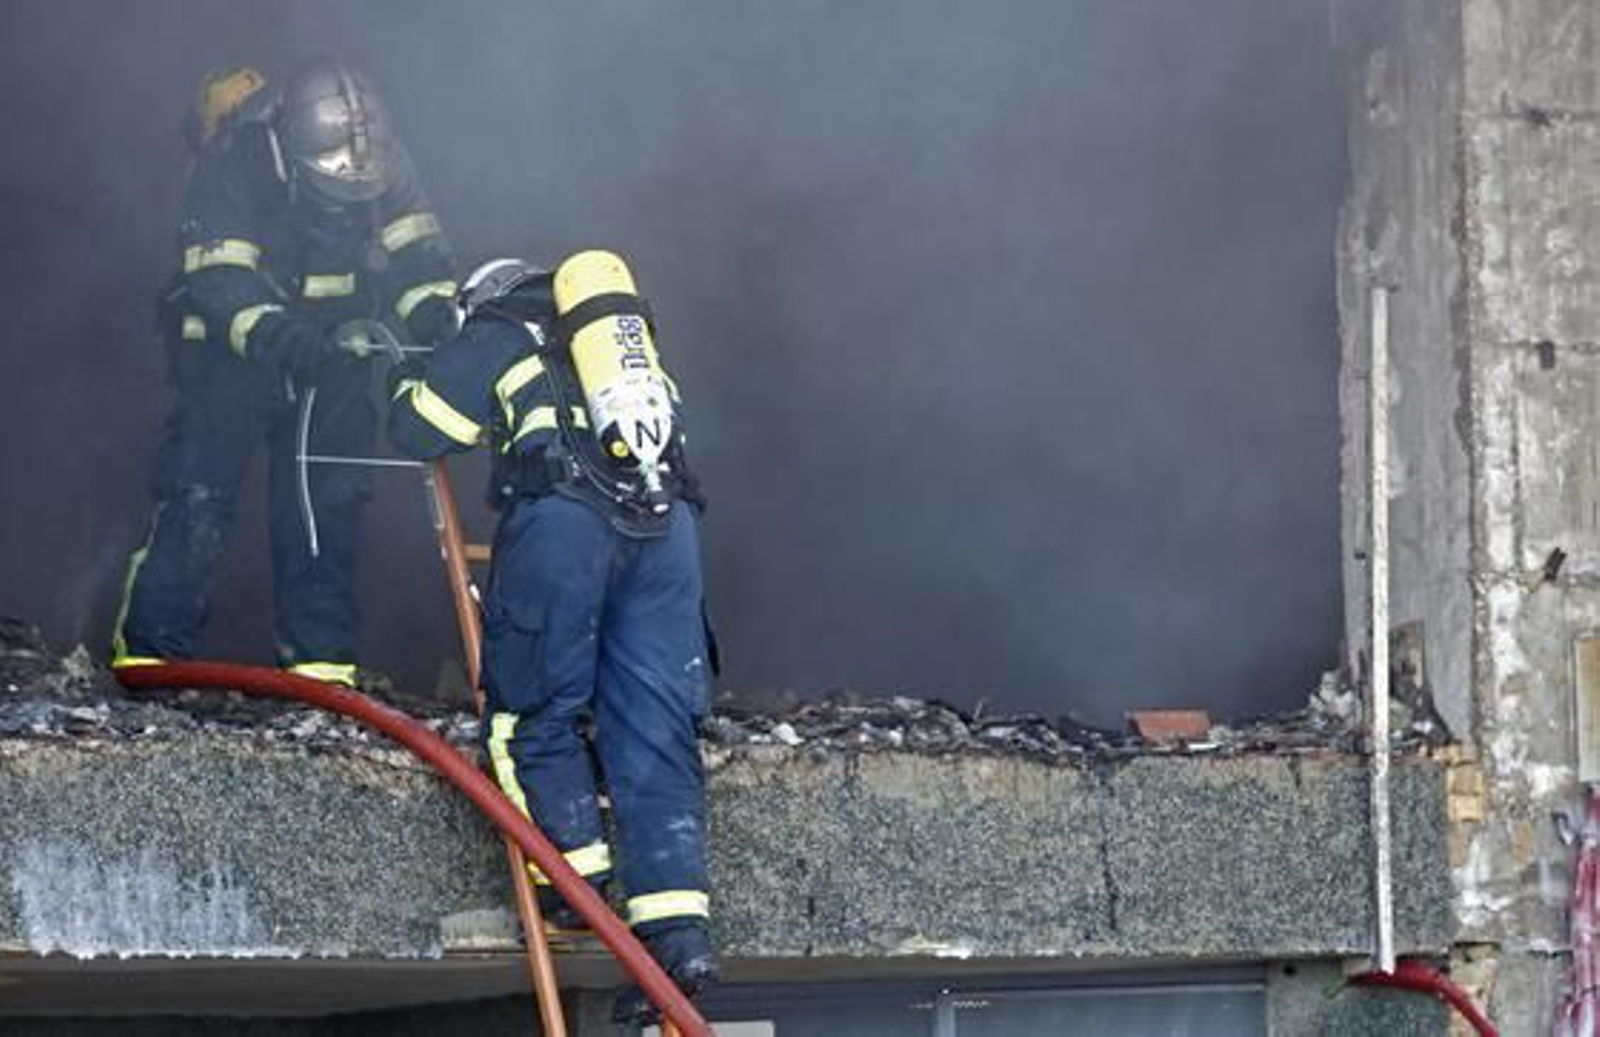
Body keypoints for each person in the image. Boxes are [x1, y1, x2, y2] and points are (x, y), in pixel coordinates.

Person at [387, 250, 717, 1020]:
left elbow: (418, 426)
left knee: (534, 713)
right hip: (669, 537)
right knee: (659, 726)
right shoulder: (630, 351)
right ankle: (678, 939)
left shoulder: (500, 331)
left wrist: (405, 376)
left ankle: (573, 890)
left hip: (566, 529)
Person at [111, 62, 459, 686]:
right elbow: (216, 277)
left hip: (335, 360)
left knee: (330, 502)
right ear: (294, 156)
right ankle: (152, 659)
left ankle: (321, 668)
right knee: (198, 496)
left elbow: (417, 256)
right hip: (233, 355)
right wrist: (278, 334)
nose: (346, 200)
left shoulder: (384, 160)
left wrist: (436, 315)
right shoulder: (237, 161)